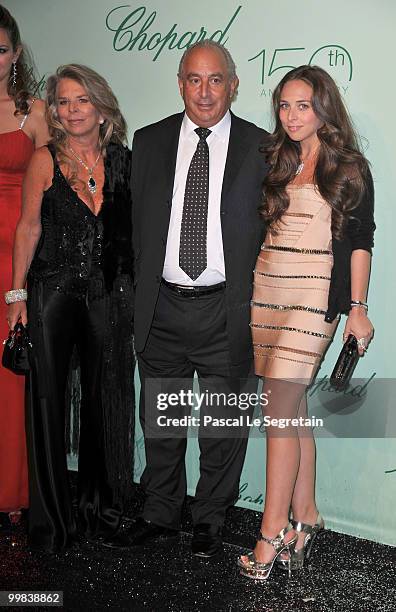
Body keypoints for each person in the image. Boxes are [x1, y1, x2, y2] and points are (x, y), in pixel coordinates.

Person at [104, 40, 269, 557]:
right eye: (194, 79)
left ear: (233, 85)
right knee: (163, 420)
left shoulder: (262, 147)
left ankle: (210, 518)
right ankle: (159, 511)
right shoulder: (148, 142)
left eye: (215, 79)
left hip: (227, 308)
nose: (204, 91)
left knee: (223, 427)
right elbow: (129, 228)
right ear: (180, 84)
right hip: (162, 307)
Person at [238, 65, 375, 580]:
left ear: (324, 108)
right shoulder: (274, 159)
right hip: (267, 288)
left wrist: (357, 309)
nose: (292, 115)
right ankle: (307, 516)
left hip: (314, 299)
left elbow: (361, 241)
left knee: (279, 410)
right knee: (289, 409)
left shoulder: (349, 167)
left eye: (303, 105)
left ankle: (270, 532)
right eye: (284, 105)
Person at [7, 64, 135, 552]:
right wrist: (16, 295)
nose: (70, 109)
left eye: (81, 100)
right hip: (52, 293)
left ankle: (100, 514)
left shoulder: (124, 161)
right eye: (61, 101)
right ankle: (52, 524)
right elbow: (28, 228)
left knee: (105, 403)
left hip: (107, 297)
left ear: (102, 107)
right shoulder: (45, 158)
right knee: (48, 405)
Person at [0, 4, 48, 530]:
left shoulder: (34, 112)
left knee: (11, 375)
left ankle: (13, 491)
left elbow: (52, 192)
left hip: (18, 259)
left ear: (15, 54)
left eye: (0, 48)